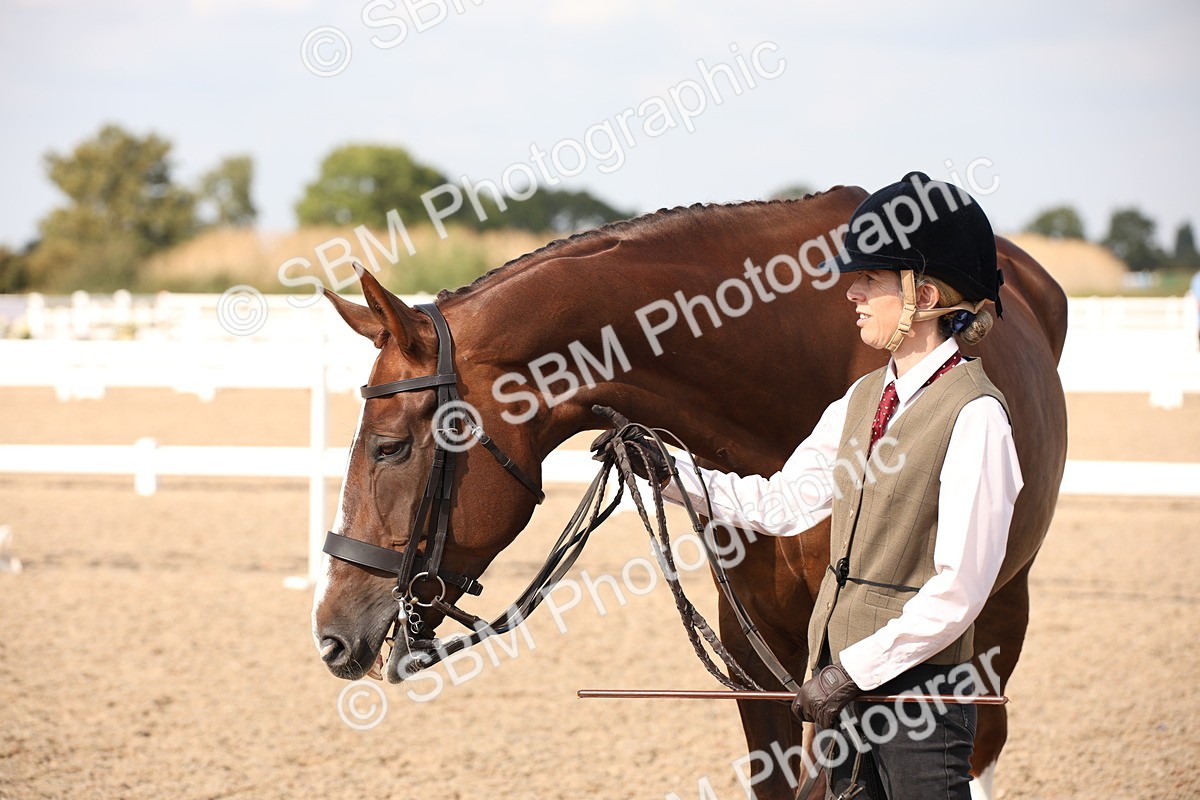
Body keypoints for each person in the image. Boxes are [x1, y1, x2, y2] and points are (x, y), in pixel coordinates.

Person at [595, 172, 1022, 799]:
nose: (851, 293)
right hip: (845, 697)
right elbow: (783, 503)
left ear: (924, 295)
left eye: (870, 279)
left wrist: (851, 672)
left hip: (918, 703)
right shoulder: (861, 400)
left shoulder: (976, 415)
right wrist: (669, 473)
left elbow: (960, 589)